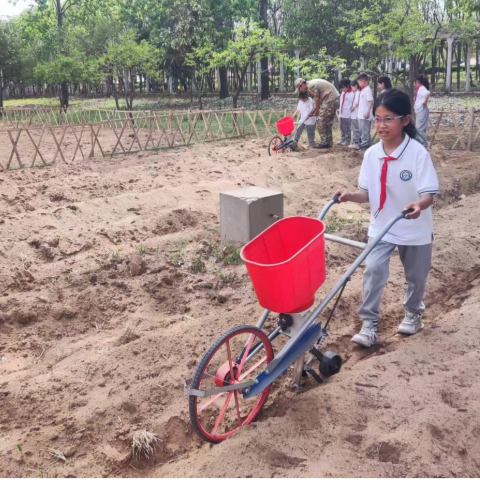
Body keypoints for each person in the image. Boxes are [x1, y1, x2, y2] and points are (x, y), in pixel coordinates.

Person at [332, 89, 439, 348]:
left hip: (414, 226)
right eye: (377, 119)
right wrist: (348, 196)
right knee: (374, 271)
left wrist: (419, 204)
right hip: (382, 225)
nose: (381, 125)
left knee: (416, 276)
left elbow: (428, 194)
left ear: (405, 120)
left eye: (388, 118)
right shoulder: (371, 154)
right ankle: (369, 324)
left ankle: (413, 314)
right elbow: (367, 194)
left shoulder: (417, 154)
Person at [295, 78, 340, 149]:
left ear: (302, 84)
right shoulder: (311, 85)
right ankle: (329, 142)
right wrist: (315, 110)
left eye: (299, 88)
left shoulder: (311, 86)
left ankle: (324, 142)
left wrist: (316, 112)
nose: (300, 90)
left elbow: (316, 99)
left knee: (320, 120)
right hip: (333, 97)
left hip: (331, 98)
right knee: (327, 121)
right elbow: (320, 100)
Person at [356, 73, 374, 152]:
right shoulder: (363, 90)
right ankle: (367, 145)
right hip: (361, 114)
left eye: (359, 82)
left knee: (365, 131)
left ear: (363, 81)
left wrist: (368, 112)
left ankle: (365, 146)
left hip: (365, 115)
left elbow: (370, 102)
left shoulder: (367, 90)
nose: (358, 84)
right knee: (362, 130)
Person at [415, 75, 431, 149]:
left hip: (421, 110)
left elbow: (427, 93)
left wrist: (425, 102)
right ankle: (421, 145)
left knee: (419, 128)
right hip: (420, 110)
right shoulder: (420, 89)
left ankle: (424, 145)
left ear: (418, 82)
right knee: (420, 128)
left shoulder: (421, 88)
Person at [338, 78, 355, 146]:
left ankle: (347, 140)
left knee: (346, 128)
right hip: (341, 113)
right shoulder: (343, 93)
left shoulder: (352, 93)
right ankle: (342, 139)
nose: (342, 89)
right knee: (341, 127)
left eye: (343, 87)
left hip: (348, 113)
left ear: (348, 86)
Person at [349, 80, 361, 150]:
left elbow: (356, 103)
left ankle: (356, 143)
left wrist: (352, 108)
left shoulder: (358, 93)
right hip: (355, 114)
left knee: (356, 129)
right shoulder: (356, 93)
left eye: (352, 87)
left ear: (356, 86)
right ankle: (356, 142)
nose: (352, 89)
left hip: (356, 114)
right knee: (355, 129)